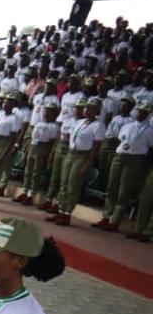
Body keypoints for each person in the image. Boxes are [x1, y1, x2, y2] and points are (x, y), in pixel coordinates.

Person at [95, 100, 152, 232]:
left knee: (124, 191)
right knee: (112, 187)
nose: (140, 114)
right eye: (139, 111)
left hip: (135, 159)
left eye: (144, 112)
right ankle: (106, 216)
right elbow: (121, 140)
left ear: (148, 114)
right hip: (119, 156)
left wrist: (144, 167)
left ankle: (115, 221)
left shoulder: (150, 131)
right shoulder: (128, 125)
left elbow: (150, 150)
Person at [48, 98, 105, 226]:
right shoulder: (80, 122)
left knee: (73, 185)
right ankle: (60, 210)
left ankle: (67, 214)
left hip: (82, 156)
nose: (87, 110)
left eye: (91, 108)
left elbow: (96, 147)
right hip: (71, 153)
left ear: (97, 111)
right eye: (87, 107)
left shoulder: (99, 125)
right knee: (64, 182)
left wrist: (88, 163)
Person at [14, 102, 60, 205]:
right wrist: (27, 152)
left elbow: (52, 143)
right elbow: (32, 139)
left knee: (36, 172)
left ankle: (31, 194)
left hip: (42, 148)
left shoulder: (54, 127)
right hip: (33, 147)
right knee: (27, 171)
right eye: (46, 111)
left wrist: (48, 155)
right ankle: (25, 191)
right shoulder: (39, 124)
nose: (46, 113)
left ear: (54, 113)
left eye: (49, 112)